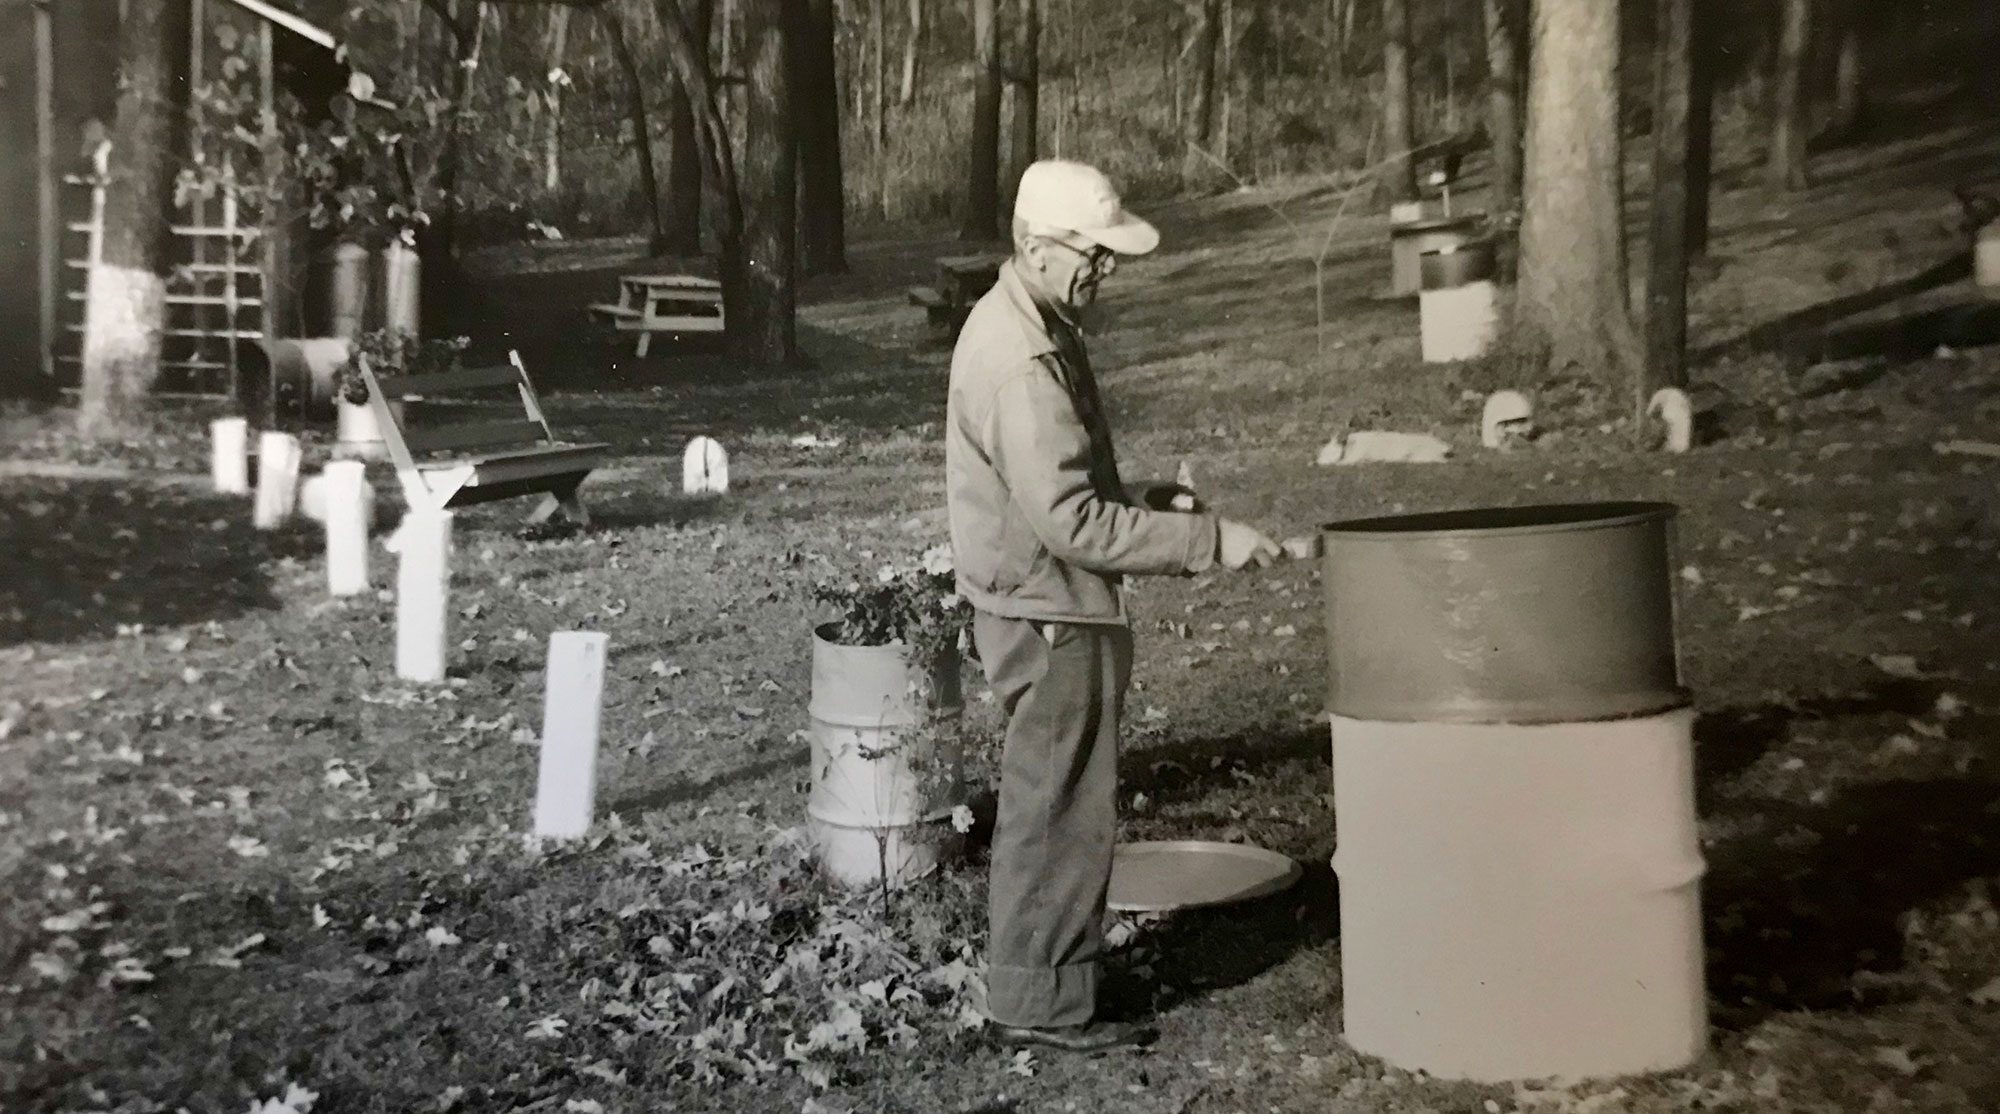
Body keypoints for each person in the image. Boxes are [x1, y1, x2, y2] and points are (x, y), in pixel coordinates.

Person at [944, 159, 1283, 1053]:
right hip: (1051, 612)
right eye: (1093, 255)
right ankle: (1037, 1007)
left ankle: (1049, 980)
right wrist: (1208, 543)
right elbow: (1072, 525)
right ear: (1036, 246)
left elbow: (1057, 488)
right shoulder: (1022, 358)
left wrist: (1144, 497)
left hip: (1040, 597)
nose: (1107, 271)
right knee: (1058, 809)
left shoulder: (1039, 319)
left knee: (1058, 802)